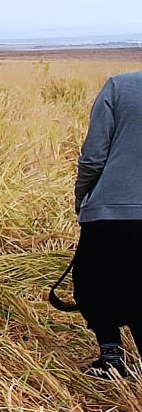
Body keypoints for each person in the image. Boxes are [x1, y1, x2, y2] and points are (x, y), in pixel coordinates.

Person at [73, 70, 142, 379]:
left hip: (112, 211)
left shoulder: (120, 86)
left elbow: (93, 156)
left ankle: (112, 356)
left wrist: (83, 196)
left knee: (92, 284)